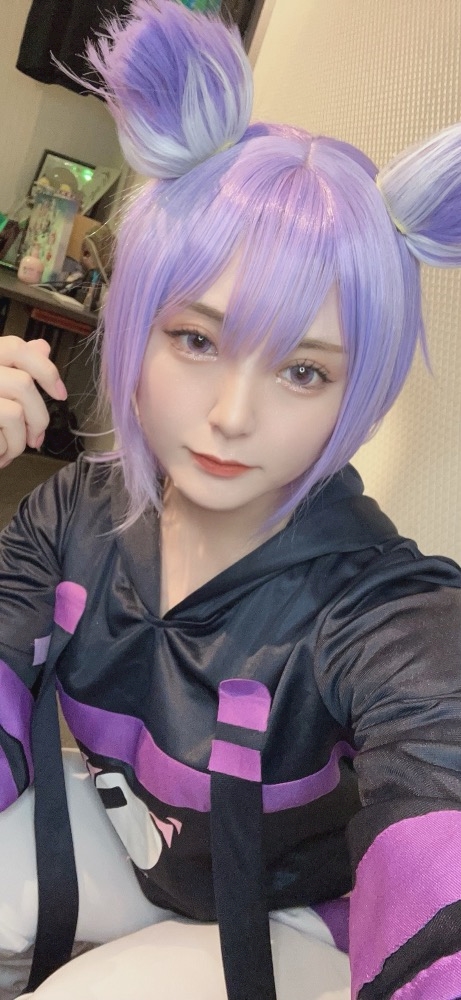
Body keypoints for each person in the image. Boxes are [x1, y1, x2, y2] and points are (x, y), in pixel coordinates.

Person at [0, 1, 461, 997]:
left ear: (356, 391)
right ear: (135, 327)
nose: (231, 416)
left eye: (302, 370)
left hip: (293, 916)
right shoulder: (72, 513)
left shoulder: (382, 612)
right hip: (139, 845)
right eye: (197, 339)